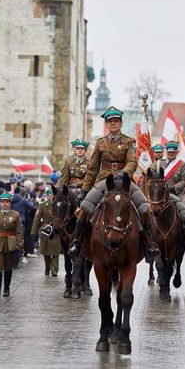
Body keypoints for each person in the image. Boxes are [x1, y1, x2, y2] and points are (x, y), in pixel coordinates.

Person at [67, 106, 160, 260]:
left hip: (124, 181)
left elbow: (132, 161)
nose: (113, 124)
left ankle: (149, 243)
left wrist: (125, 173)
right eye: (110, 121)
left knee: (144, 207)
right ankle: (76, 242)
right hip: (105, 180)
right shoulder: (100, 143)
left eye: (115, 121)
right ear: (106, 124)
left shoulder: (129, 141)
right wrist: (85, 189)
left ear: (120, 123)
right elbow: (92, 168)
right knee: (85, 207)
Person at [161, 140, 185, 245]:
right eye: (169, 152)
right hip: (162, 194)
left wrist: (173, 187)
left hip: (177, 194)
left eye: (173, 152)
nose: (170, 154)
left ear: (176, 152)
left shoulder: (181, 164)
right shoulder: (159, 163)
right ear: (166, 152)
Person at [31, 189, 61, 277]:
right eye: (50, 194)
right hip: (46, 230)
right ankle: (47, 268)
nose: (51, 196)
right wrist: (33, 231)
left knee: (55, 251)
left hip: (56, 230)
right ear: (47, 196)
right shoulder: (42, 205)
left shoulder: (58, 205)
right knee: (46, 251)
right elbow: (37, 218)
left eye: (53, 194)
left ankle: (54, 270)